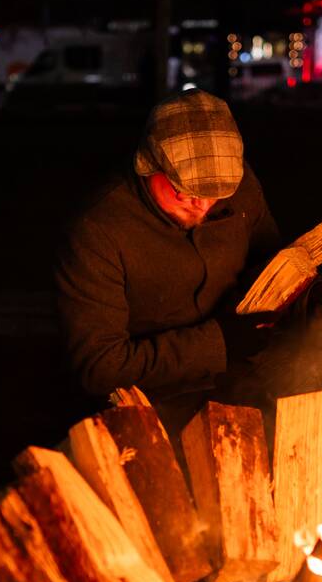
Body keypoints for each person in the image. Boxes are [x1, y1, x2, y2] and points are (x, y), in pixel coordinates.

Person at [55, 89, 283, 417]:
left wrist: (308, 295)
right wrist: (219, 343)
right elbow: (99, 367)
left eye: (216, 193)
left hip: (242, 385)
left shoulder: (234, 185)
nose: (203, 205)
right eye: (184, 191)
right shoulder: (97, 231)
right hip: (147, 407)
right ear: (148, 166)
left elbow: (271, 260)